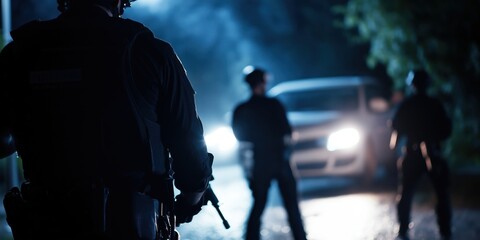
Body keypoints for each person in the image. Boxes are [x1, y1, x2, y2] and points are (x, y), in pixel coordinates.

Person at [0, 0, 213, 239]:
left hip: (46, 223)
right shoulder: (149, 51)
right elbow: (188, 141)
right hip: (129, 223)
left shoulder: (18, 54)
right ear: (121, 1)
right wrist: (190, 199)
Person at [231, 66, 307, 240]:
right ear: (263, 82)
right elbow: (287, 132)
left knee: (258, 206)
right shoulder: (274, 105)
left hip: (260, 163)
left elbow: (240, 137)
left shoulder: (242, 109)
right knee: (292, 208)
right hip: (280, 160)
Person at [391, 70, 452, 240]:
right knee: (438, 193)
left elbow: (396, 126)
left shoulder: (408, 104)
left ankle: (405, 230)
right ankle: (443, 231)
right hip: (422, 152)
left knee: (409, 193)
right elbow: (447, 129)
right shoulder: (433, 104)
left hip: (419, 153)